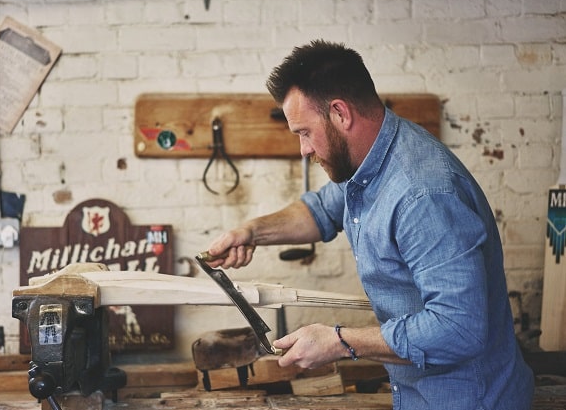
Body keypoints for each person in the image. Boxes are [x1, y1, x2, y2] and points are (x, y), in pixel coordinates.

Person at [204, 40, 534, 409]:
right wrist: (252, 231)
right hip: (416, 393)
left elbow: (459, 329)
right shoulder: (369, 161)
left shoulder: (422, 195)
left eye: (304, 132)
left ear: (340, 114)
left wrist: (340, 342)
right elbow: (323, 210)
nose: (303, 149)